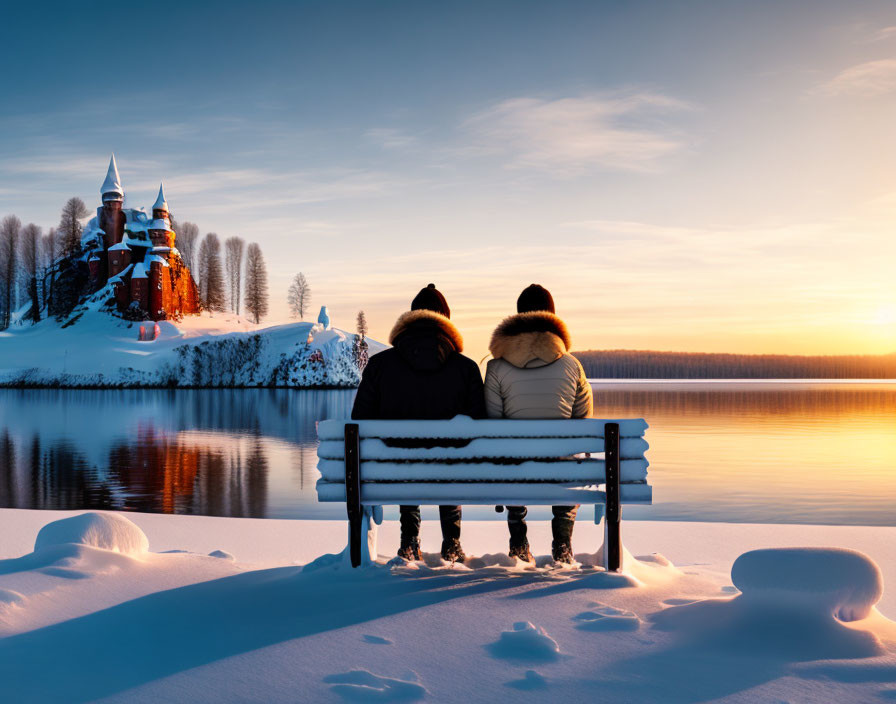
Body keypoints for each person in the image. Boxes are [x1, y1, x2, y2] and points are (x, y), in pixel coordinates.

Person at [351, 283, 485, 563]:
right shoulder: (466, 368)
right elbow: (480, 424)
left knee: (404, 456)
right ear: (446, 321)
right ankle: (452, 543)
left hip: (396, 469)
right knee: (452, 456)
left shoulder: (379, 365)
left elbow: (359, 420)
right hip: (452, 469)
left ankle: (409, 542)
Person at [484, 284, 593, 563]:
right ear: (553, 320)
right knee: (568, 465)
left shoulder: (496, 366)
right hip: (559, 470)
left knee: (509, 459)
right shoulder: (572, 365)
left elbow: (493, 422)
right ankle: (563, 547)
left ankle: (518, 544)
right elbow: (583, 422)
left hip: (515, 472)